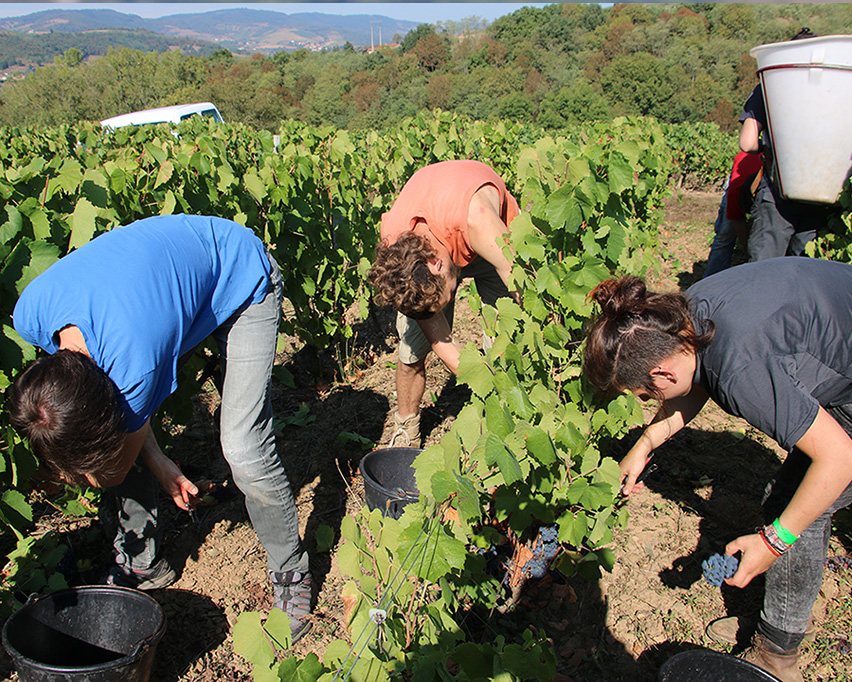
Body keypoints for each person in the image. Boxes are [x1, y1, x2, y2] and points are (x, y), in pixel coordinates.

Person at [7, 214, 312, 643]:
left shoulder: (136, 362)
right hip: (162, 290)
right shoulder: (31, 313)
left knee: (243, 445)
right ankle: (143, 563)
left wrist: (115, 463)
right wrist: (159, 463)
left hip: (238, 274)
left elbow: (110, 468)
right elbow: (109, 422)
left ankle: (291, 568)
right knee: (106, 439)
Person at [583, 258, 852, 682]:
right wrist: (645, 443)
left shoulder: (744, 370)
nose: (648, 403)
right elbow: (698, 378)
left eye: (643, 395)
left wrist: (774, 541)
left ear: (660, 373)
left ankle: (777, 657)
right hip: (839, 333)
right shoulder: (684, 316)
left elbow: (840, 459)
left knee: (798, 507)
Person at [368, 160, 520, 447]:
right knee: (413, 346)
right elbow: (443, 345)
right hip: (441, 237)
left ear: (437, 265)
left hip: (487, 245)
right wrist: (469, 369)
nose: (436, 313)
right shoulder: (396, 247)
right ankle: (405, 428)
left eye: (439, 303)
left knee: (507, 335)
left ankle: (506, 423)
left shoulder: (480, 221)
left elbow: (523, 287)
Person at [738, 28, 835, 262]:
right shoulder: (839, 85)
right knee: (808, 266)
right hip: (825, 189)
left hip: (778, 188)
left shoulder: (770, 85)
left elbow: (748, 143)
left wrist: (770, 148)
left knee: (765, 266)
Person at [703, 151, 762, 278]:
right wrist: (749, 252)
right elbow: (736, 219)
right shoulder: (736, 192)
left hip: (765, 175)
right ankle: (712, 279)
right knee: (725, 234)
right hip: (740, 180)